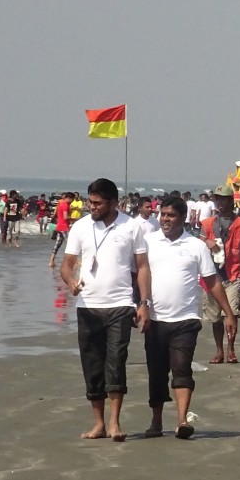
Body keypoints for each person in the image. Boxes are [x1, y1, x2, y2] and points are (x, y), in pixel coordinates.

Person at [60, 177, 152, 441]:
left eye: (98, 203)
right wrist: (70, 282)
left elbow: (142, 266)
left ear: (114, 202)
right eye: (90, 202)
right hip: (87, 306)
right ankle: (98, 422)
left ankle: (114, 422)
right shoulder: (80, 227)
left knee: (116, 361)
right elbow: (67, 265)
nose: (92, 207)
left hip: (120, 304)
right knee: (92, 363)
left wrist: (143, 303)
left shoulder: (131, 227)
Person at [143, 195, 238, 439]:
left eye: (171, 215)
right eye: (162, 214)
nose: (165, 219)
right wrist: (138, 306)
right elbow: (137, 276)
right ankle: (156, 421)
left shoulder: (195, 246)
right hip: (154, 319)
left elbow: (212, 281)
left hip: (185, 320)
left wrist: (229, 313)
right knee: (156, 372)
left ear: (183, 218)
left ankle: (182, 420)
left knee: (182, 368)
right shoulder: (148, 242)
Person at [200, 185, 240, 364]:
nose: (220, 202)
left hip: (234, 274)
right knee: (215, 317)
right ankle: (219, 350)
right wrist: (207, 241)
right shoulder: (207, 223)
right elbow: (195, 241)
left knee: (231, 313)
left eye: (223, 199)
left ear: (231, 201)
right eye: (217, 199)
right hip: (212, 277)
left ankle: (231, 349)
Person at [48, 191, 72, 268]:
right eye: (72, 199)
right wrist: (75, 219)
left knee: (57, 244)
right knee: (70, 244)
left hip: (59, 227)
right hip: (64, 227)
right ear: (69, 198)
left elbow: (57, 215)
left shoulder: (60, 204)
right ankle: (73, 261)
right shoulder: (65, 205)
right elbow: (65, 217)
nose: (72, 201)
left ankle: (51, 261)